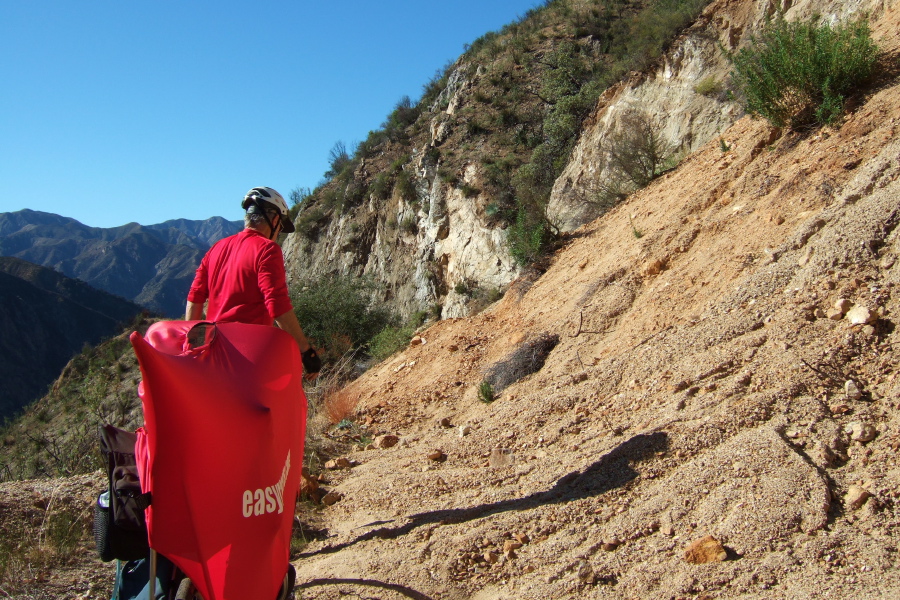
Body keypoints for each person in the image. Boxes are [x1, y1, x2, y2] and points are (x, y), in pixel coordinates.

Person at [186, 186, 321, 376]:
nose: (278, 233)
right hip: (246, 356)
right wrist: (305, 351)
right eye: (280, 228)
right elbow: (277, 304)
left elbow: (195, 297)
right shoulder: (267, 249)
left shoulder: (216, 248)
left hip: (212, 352)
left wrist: (192, 345)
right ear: (275, 219)